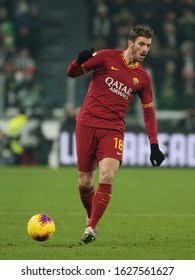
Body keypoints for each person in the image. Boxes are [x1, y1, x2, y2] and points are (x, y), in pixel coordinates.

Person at [66, 25, 165, 244]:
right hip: (87, 123)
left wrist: (154, 144)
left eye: (148, 45)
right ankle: (90, 215)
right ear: (130, 43)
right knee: (84, 183)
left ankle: (91, 227)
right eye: (141, 44)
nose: (145, 49)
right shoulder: (105, 57)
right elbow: (71, 73)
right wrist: (78, 61)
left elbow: (149, 113)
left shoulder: (143, 78)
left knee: (108, 176)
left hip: (113, 129)